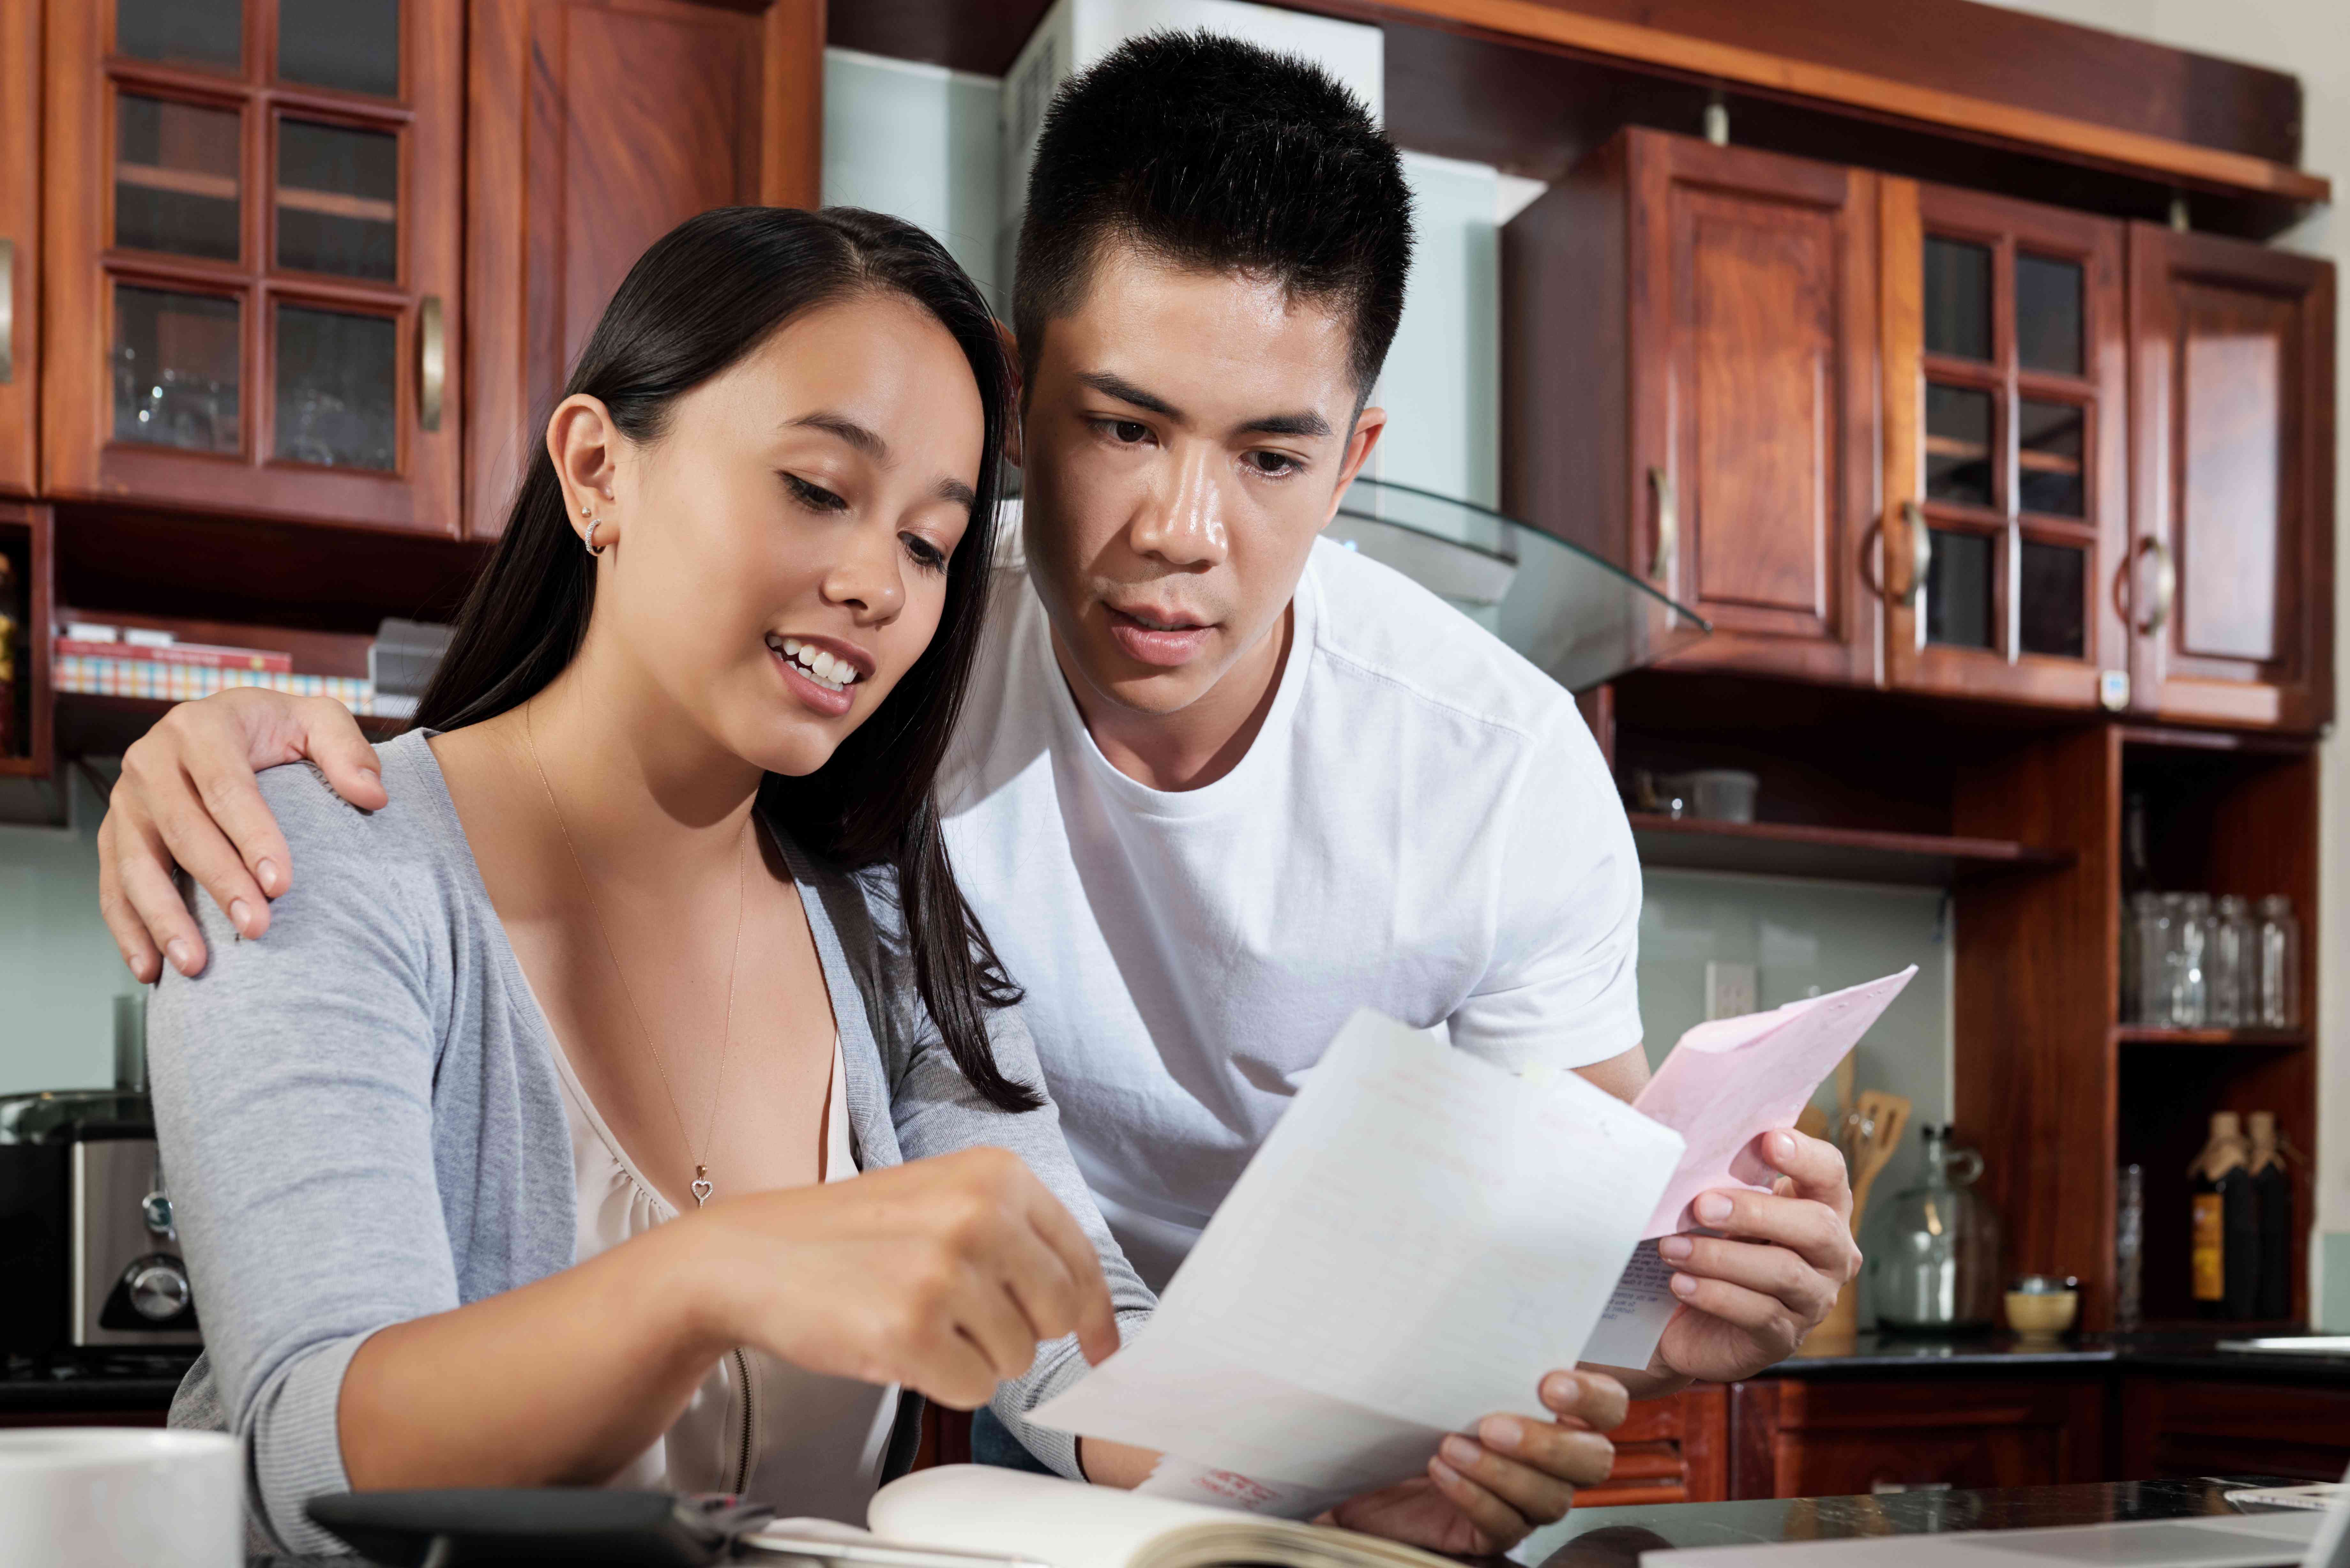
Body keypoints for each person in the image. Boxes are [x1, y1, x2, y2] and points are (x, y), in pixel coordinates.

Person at [103, 34, 1853, 1550]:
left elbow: (1063, 1342)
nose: (879, 586)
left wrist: (1343, 1489)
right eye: (815, 488)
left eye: (932, 537)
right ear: (594, 467)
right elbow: (306, 1446)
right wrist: (726, 1266)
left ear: (1353, 460)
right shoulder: (313, 860)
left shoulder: (875, 903)